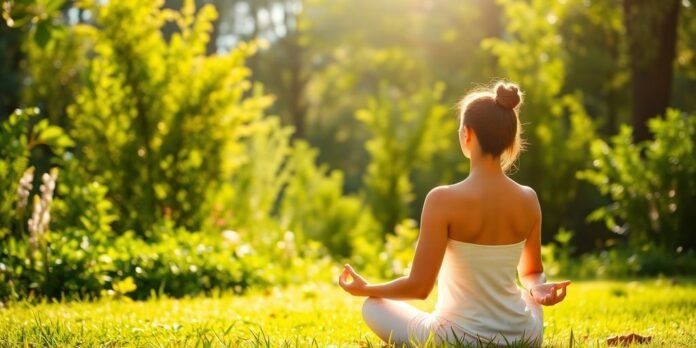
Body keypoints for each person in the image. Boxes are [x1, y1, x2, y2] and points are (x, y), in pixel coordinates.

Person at [338, 81, 571, 346]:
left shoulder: (442, 199)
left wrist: (366, 289)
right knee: (529, 298)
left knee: (372, 306)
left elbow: (419, 287)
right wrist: (537, 288)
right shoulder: (528, 199)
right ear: (510, 138)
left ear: (467, 134)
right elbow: (532, 272)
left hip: (455, 339)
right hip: (525, 339)